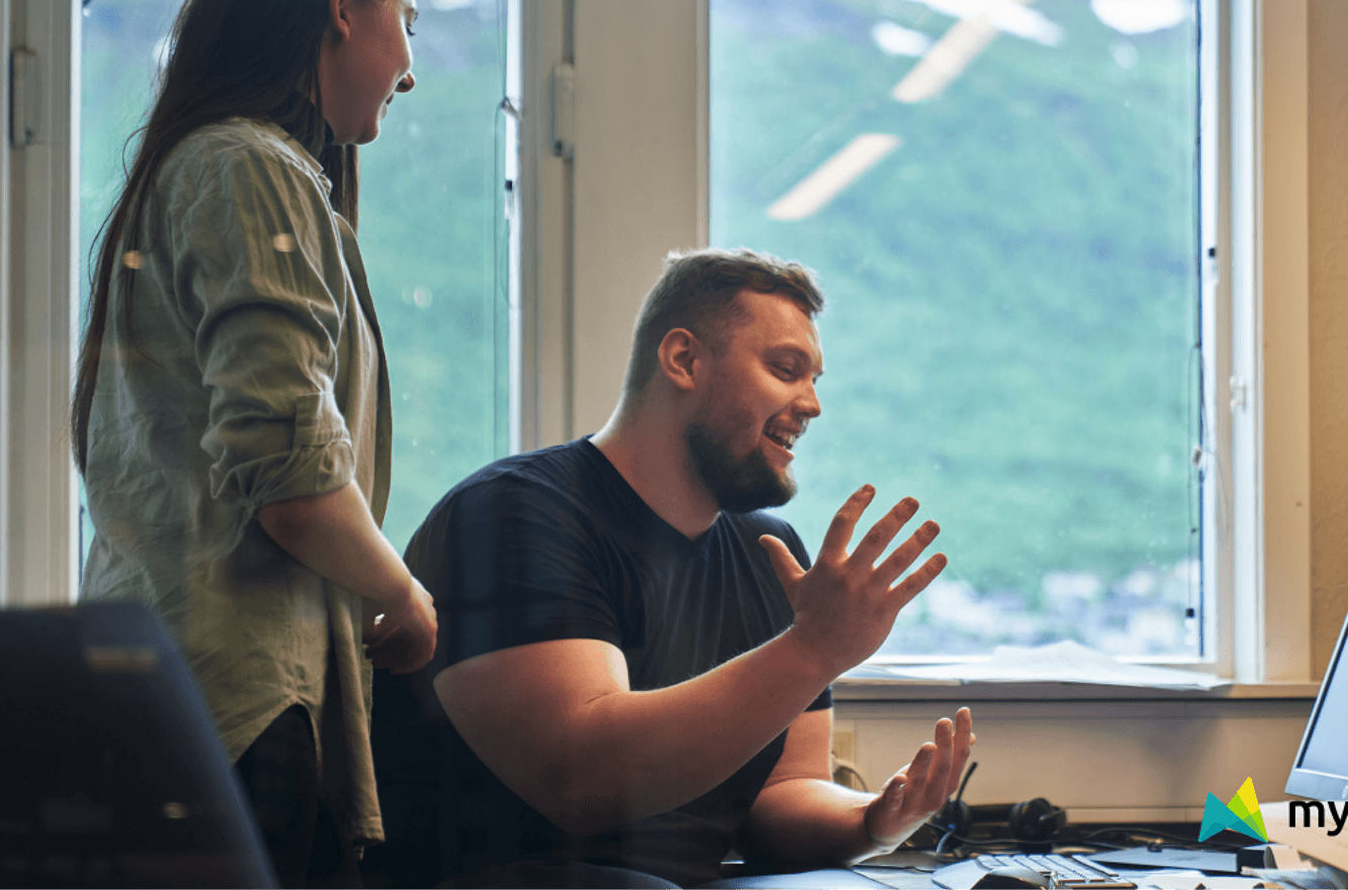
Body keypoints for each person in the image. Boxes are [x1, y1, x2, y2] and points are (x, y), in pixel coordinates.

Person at [371, 248, 973, 889]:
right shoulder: (511, 514)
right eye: (785, 369)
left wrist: (873, 823)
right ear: (684, 360)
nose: (812, 404)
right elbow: (581, 782)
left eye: (815, 379)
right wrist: (814, 649)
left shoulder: (770, 550)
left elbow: (785, 791)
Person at [74, 0, 438, 887]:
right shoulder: (249, 167)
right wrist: (402, 591)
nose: (410, 69)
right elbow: (290, 477)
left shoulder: (193, 167)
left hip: (173, 684)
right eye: (406, 24)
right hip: (237, 701)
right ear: (341, 5)